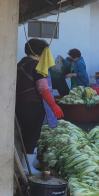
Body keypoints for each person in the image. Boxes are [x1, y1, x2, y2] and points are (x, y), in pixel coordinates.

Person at [16, 39, 64, 175]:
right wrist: (54, 106)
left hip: (19, 105)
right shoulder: (37, 66)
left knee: (27, 134)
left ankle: (31, 162)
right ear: (39, 51)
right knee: (32, 135)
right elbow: (43, 88)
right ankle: (26, 168)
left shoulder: (20, 63)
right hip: (32, 105)